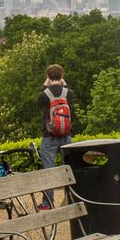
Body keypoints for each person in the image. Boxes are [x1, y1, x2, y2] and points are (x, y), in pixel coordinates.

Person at [37, 64, 74, 209]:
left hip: (49, 136)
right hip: (66, 135)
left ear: (48, 76)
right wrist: (64, 84)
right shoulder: (68, 92)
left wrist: (44, 86)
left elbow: (40, 104)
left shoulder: (44, 94)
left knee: (49, 170)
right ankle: (71, 198)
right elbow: (70, 101)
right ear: (62, 76)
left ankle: (48, 203)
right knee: (69, 168)